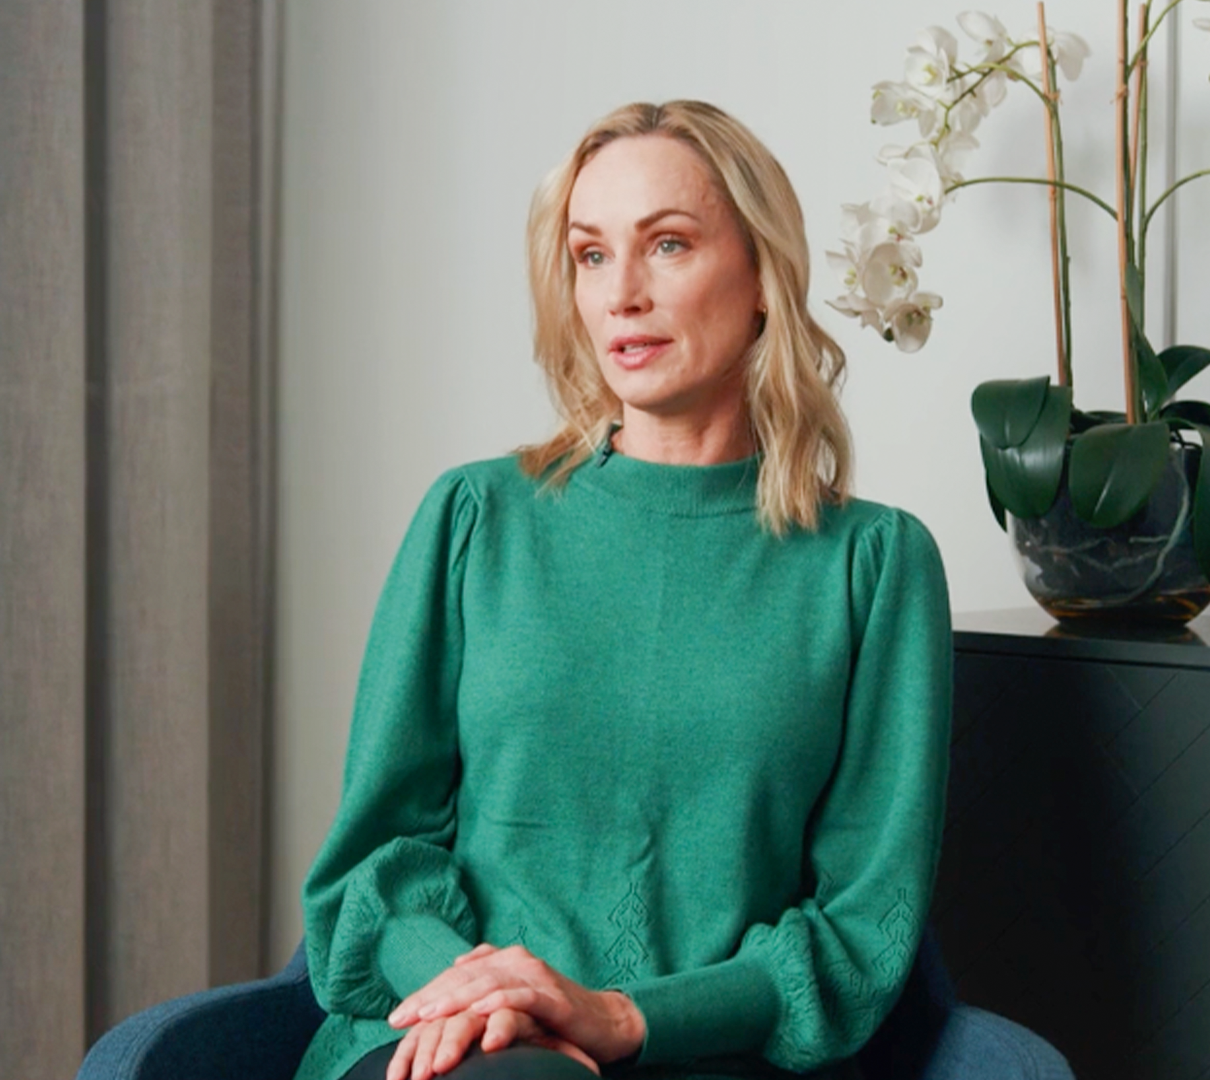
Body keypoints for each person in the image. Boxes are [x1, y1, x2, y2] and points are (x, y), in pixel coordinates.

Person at [295, 101, 952, 1080]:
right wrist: (492, 997)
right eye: (591, 255)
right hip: (448, 1042)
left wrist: (617, 1017)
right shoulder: (475, 517)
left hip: (703, 1056)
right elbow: (375, 862)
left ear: (763, 275)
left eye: (668, 245)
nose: (621, 295)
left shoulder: (875, 565)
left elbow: (863, 926)